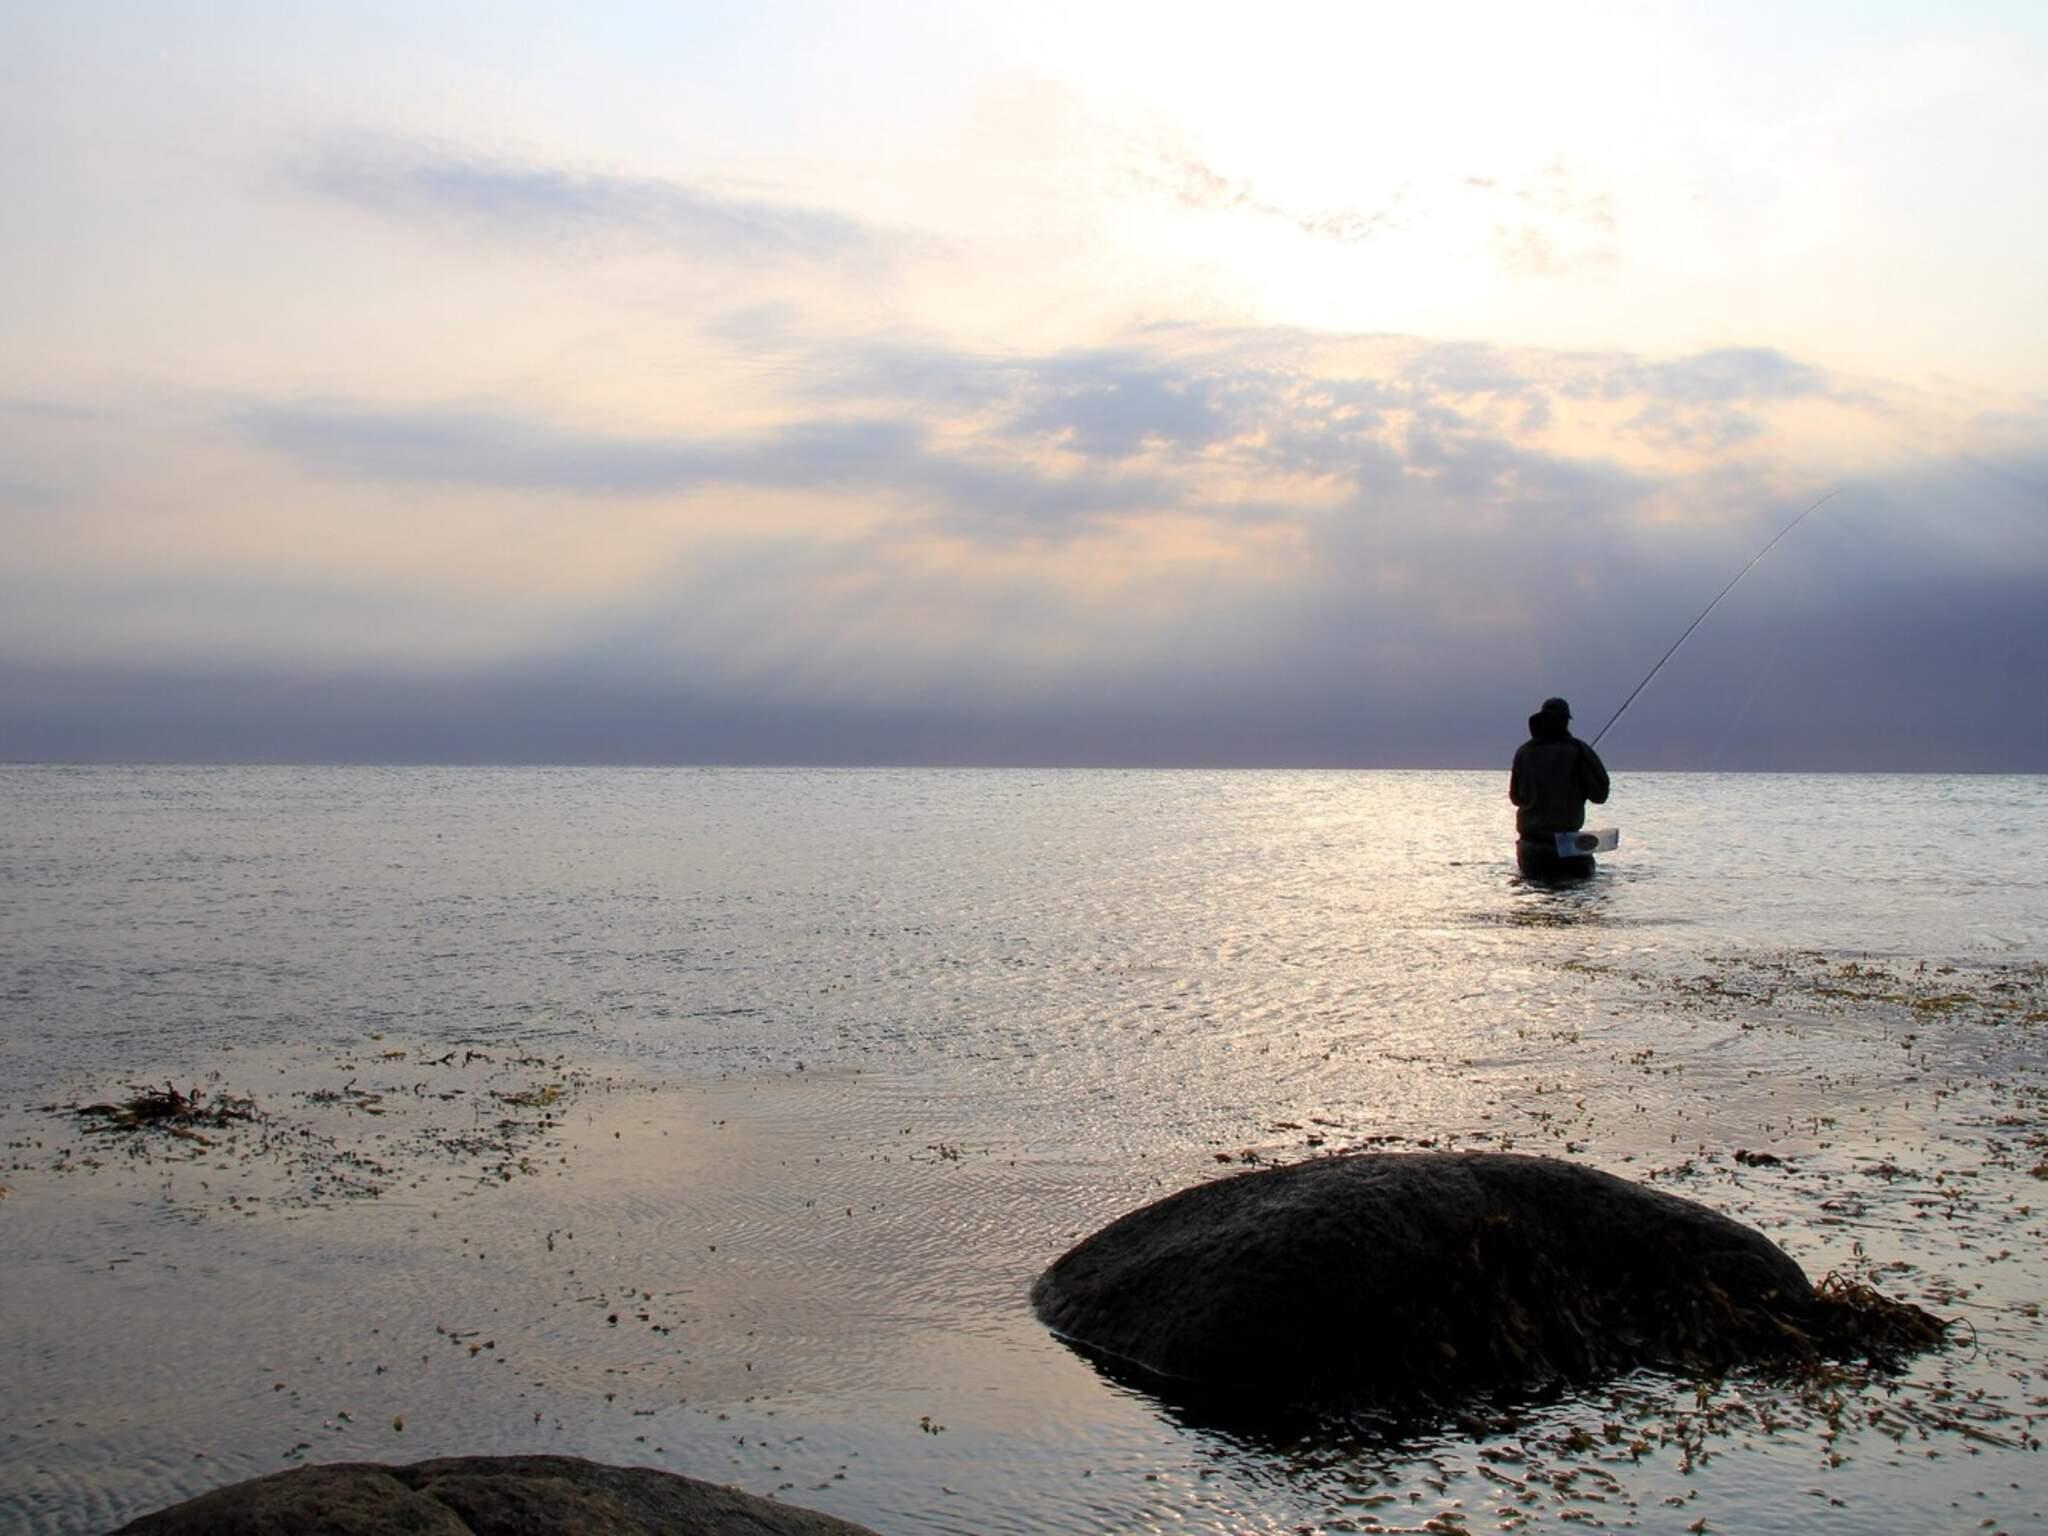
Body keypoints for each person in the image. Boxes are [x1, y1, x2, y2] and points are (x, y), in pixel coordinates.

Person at [1509, 697, 1610, 877]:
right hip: (1569, 847)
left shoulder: (1523, 752)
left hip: (1531, 847)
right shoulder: (1578, 750)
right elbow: (1600, 796)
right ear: (1565, 721)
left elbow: (1515, 798)